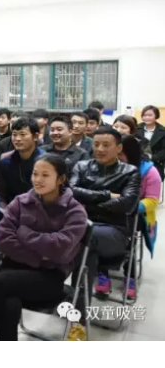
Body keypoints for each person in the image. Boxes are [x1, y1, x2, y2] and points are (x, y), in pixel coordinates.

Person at [0, 154, 88, 341]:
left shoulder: (75, 211)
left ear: (60, 179)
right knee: (9, 304)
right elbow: (4, 239)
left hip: (48, 277)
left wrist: (25, 234)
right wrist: (39, 257)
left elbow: (60, 248)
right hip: (14, 269)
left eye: (45, 175)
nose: (38, 179)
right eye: (35, 174)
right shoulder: (21, 201)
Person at [69, 127, 141, 340]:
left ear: (118, 148)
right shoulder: (82, 166)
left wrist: (89, 203)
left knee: (84, 238)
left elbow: (126, 204)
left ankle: (69, 303)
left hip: (115, 232)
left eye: (106, 145)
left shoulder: (130, 172)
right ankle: (79, 321)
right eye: (96, 144)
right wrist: (108, 195)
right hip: (85, 229)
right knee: (87, 252)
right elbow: (71, 192)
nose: (99, 149)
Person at [117, 135, 160, 300]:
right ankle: (102, 273)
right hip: (112, 210)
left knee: (128, 237)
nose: (117, 157)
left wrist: (129, 206)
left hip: (137, 215)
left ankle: (130, 276)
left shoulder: (149, 171)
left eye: (121, 154)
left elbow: (152, 200)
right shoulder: (110, 166)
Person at [0, 117, 45, 205]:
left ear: (35, 136)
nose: (17, 139)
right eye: (14, 134)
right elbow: (1, 194)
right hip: (11, 208)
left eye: (22, 134)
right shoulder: (5, 160)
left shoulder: (45, 162)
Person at [137, 105, 165, 180]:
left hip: (156, 164)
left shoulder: (162, 131)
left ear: (156, 116)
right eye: (144, 115)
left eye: (150, 115)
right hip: (138, 163)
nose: (147, 117)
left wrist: (151, 157)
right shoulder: (136, 128)